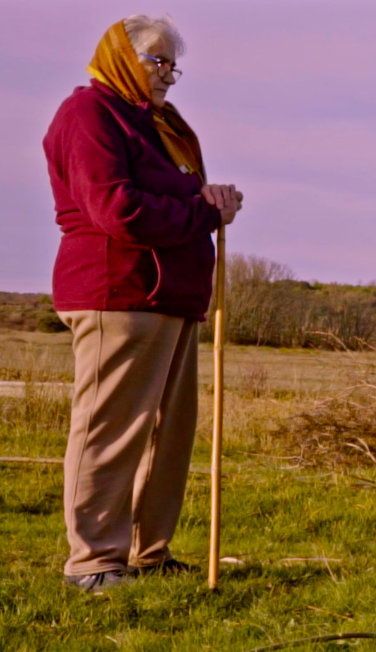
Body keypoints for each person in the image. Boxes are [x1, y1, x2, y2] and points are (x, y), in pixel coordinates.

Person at [43, 15, 243, 593]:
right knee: (111, 429)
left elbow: (175, 192)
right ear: (120, 57)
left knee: (168, 432)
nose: (168, 77)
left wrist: (210, 197)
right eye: (158, 62)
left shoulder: (158, 124)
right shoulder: (89, 115)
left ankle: (146, 552)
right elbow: (118, 210)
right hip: (119, 293)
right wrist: (205, 212)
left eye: (172, 66)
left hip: (174, 298)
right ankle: (92, 563)